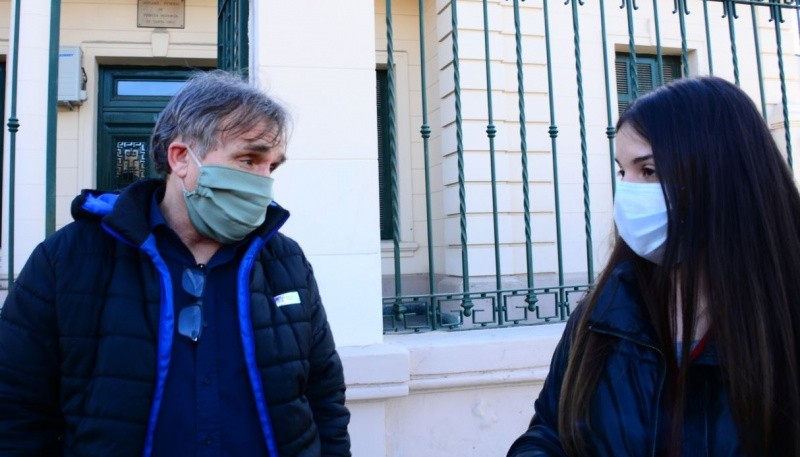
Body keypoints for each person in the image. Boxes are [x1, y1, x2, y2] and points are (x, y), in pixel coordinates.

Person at [0, 71, 351, 456]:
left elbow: (325, 398)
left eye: (273, 166)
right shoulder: (67, 260)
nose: (264, 181)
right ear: (181, 158)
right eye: (249, 159)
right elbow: (17, 409)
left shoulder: (287, 261)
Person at [507, 76, 800, 456]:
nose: (627, 192)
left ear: (719, 177)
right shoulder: (602, 315)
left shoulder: (784, 317)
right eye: (622, 171)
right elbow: (550, 432)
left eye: (649, 171)